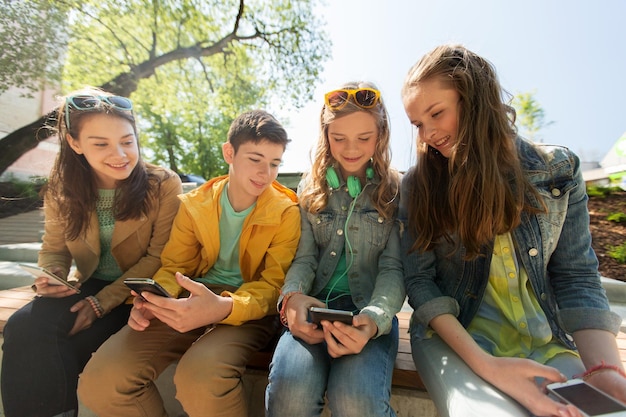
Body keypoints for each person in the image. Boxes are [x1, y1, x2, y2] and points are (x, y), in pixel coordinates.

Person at [399, 44, 626, 417]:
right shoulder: (419, 185)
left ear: (474, 100)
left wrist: (604, 371)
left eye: (436, 113)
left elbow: (577, 276)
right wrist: (487, 366)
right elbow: (421, 283)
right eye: (418, 124)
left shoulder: (559, 171)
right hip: (460, 341)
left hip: (548, 342)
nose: (427, 135)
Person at [77, 109, 301, 417]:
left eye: (274, 163)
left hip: (248, 308)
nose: (265, 173)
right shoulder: (195, 205)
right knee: (101, 381)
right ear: (229, 153)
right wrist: (156, 298)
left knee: (200, 377)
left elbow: (274, 286)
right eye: (255, 159)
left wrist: (224, 306)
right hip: (189, 298)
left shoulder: (287, 211)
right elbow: (174, 268)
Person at [0, 87, 182, 417]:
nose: (120, 154)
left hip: (136, 293)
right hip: (87, 284)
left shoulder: (162, 184)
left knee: (70, 344)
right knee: (23, 326)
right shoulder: (62, 189)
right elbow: (54, 249)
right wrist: (52, 274)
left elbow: (158, 257)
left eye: (127, 141)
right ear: (74, 143)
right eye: (101, 144)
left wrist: (100, 304)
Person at [265, 82, 405, 417]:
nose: (351, 149)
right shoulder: (310, 188)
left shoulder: (395, 191)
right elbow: (304, 257)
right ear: (325, 135)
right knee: (289, 396)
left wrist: (372, 320)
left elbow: (393, 269)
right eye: (338, 137)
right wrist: (292, 298)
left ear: (381, 135)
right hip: (314, 309)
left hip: (367, 314)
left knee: (356, 401)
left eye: (364, 138)